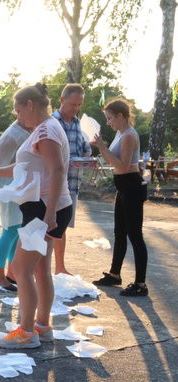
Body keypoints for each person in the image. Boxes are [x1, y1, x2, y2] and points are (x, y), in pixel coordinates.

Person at [0, 84, 73, 350]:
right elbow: (25, 168)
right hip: (48, 207)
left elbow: (56, 170)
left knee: (21, 268)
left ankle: (27, 332)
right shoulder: (49, 128)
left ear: (30, 105)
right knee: (41, 269)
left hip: (43, 209)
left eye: (19, 110)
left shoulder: (45, 130)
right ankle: (42, 326)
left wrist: (50, 212)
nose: (17, 116)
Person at [90, 99, 148, 296]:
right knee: (119, 232)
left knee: (135, 235)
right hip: (123, 187)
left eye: (110, 118)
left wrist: (103, 148)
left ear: (121, 116)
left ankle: (141, 284)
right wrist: (101, 148)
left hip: (131, 185)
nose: (108, 122)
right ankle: (115, 274)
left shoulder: (130, 136)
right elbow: (112, 161)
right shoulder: (120, 133)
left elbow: (122, 165)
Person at [0, 120, 32, 290]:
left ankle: (12, 273)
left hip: (19, 189)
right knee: (10, 229)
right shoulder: (12, 134)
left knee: (17, 230)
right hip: (9, 188)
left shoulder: (26, 130)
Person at [52, 84, 91, 275]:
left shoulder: (77, 123)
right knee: (45, 225)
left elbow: (84, 147)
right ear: (62, 100)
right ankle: (37, 268)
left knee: (62, 226)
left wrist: (88, 156)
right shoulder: (51, 121)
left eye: (79, 105)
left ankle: (60, 267)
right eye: (73, 104)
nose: (76, 109)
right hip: (52, 184)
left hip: (72, 183)